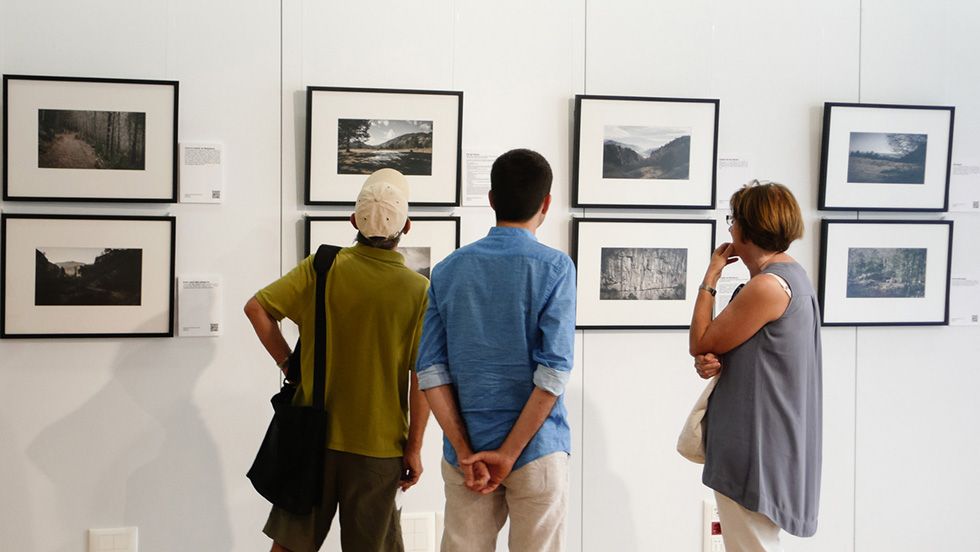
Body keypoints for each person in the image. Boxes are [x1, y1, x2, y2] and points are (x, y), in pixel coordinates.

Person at [244, 168, 431, 552]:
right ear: (407, 227)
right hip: (378, 447)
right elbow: (422, 377)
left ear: (353, 221)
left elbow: (256, 309)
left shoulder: (322, 268)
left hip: (313, 432)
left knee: (291, 546)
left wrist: (288, 365)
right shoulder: (419, 291)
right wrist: (414, 447)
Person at [416, 148, 576, 552]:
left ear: (490, 199)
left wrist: (468, 450)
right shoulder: (555, 268)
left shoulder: (448, 269)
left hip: (466, 456)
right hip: (537, 448)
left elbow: (430, 370)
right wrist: (508, 453)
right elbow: (553, 372)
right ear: (547, 204)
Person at [688, 180, 822, 551]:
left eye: (733, 220)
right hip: (765, 438)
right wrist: (716, 359)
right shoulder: (789, 278)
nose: (730, 229)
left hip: (756, 444)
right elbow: (723, 349)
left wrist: (711, 276)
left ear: (747, 227)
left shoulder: (768, 287)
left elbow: (700, 341)